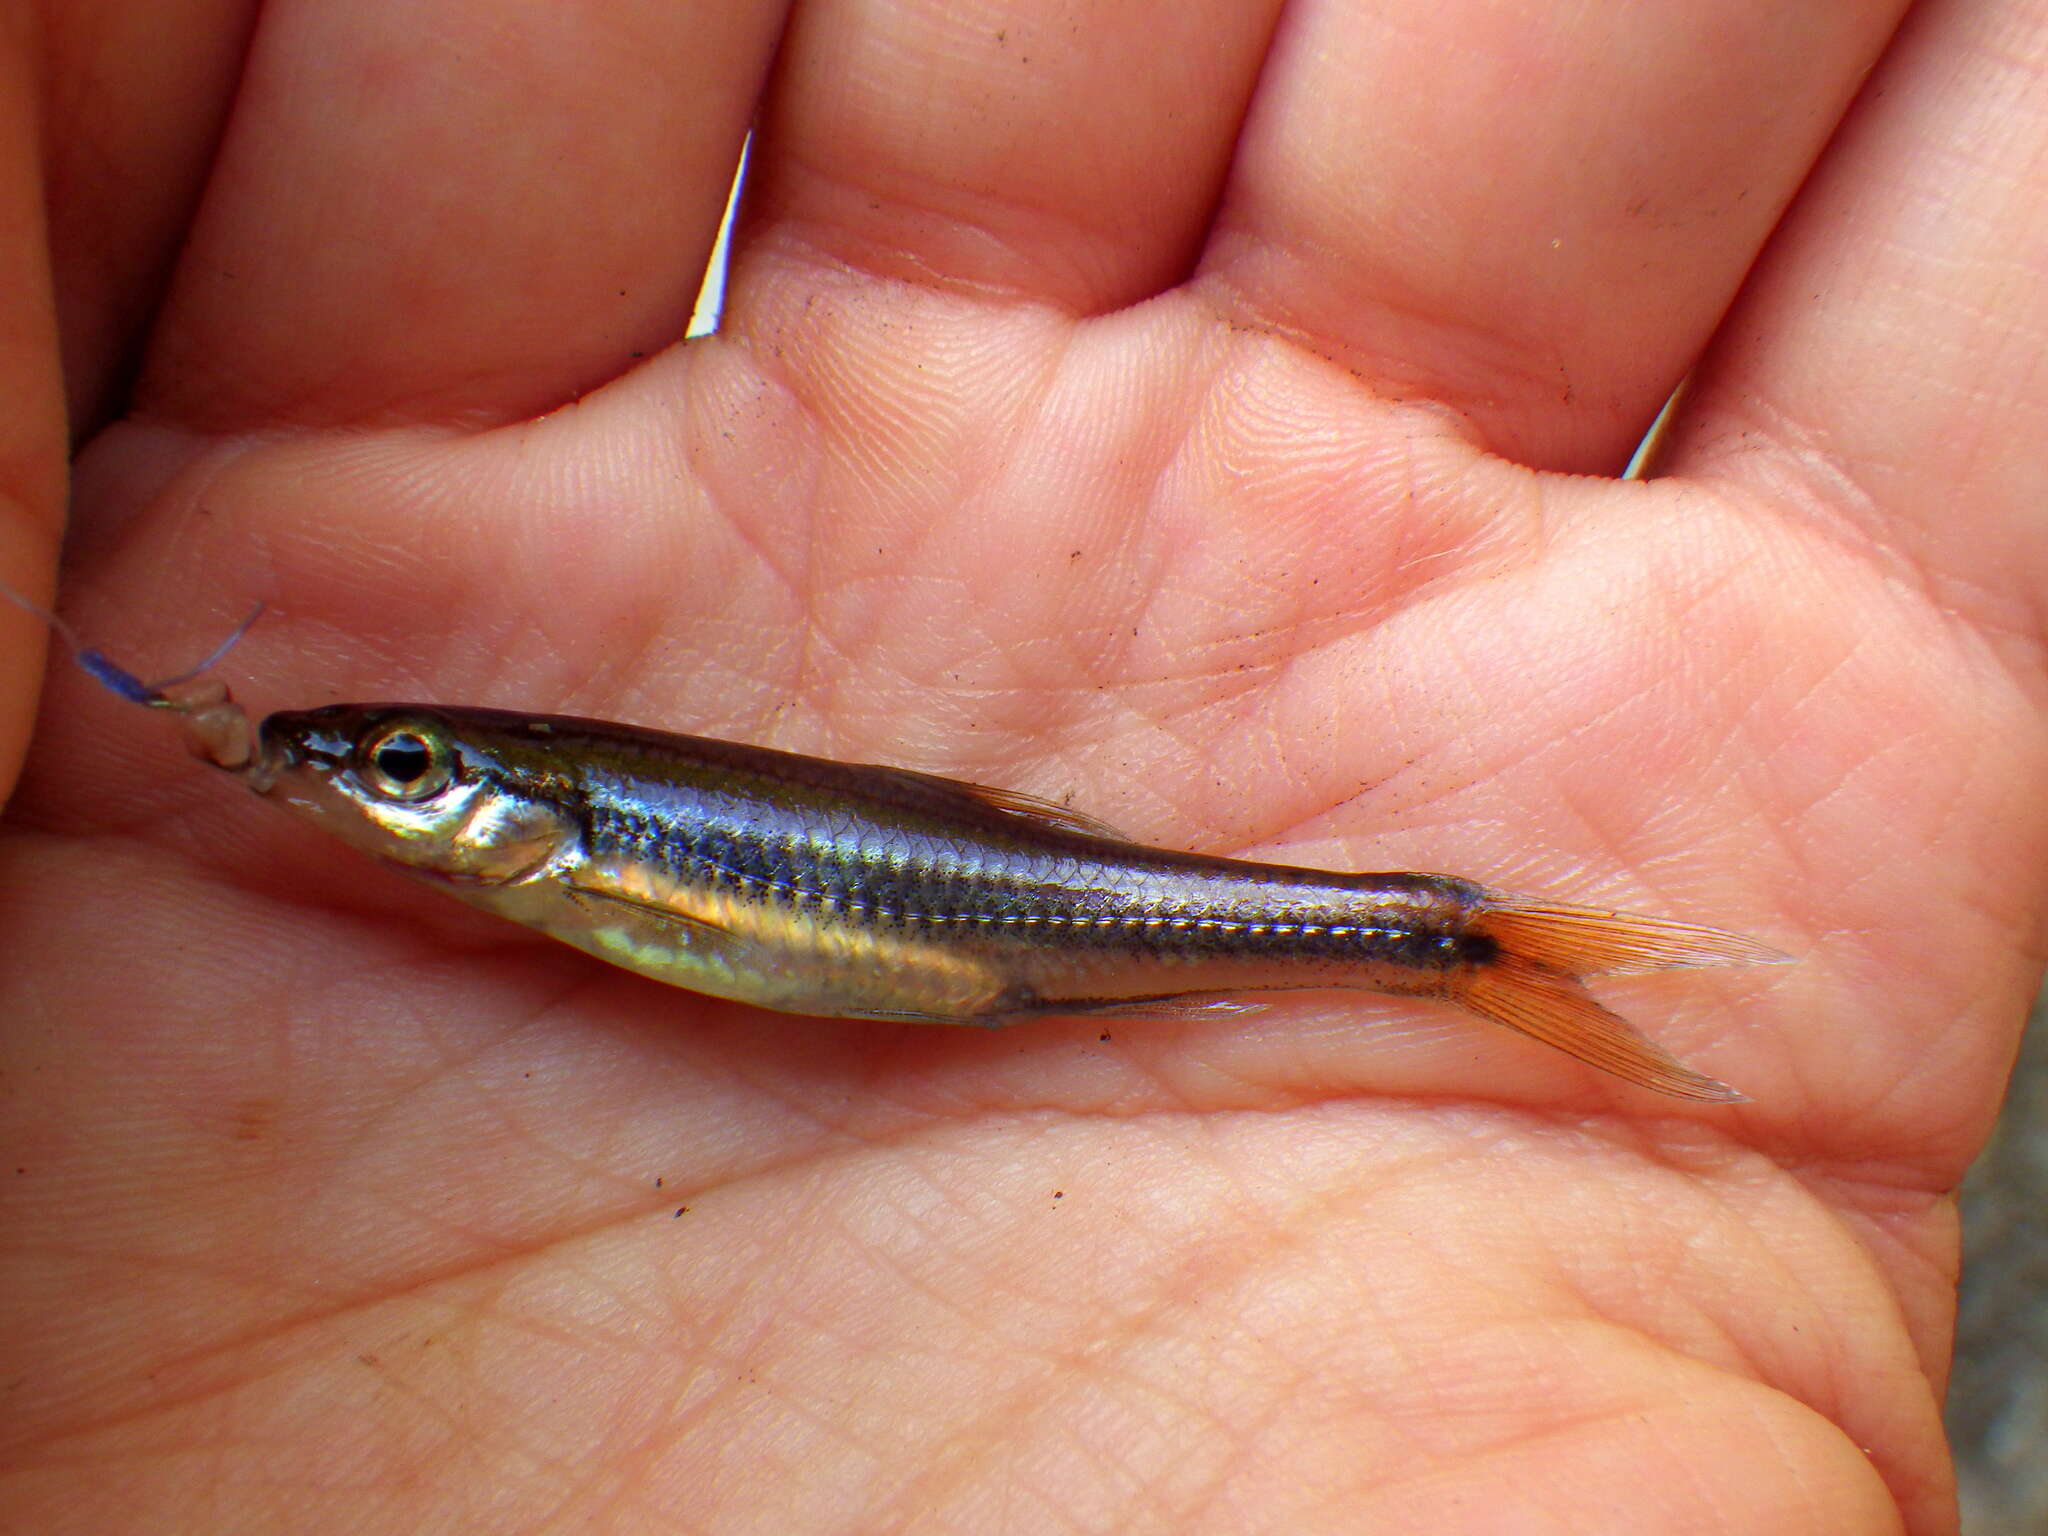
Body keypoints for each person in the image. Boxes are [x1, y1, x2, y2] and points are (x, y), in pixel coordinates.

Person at [1, 3, 2037, 1530]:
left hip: (1016, 947)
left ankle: (1452, 947)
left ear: (536, 811)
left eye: (412, 768)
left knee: (1339, 929)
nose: (376, 793)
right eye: (389, 770)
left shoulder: (578, 855)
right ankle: (1455, 950)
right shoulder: (531, 873)